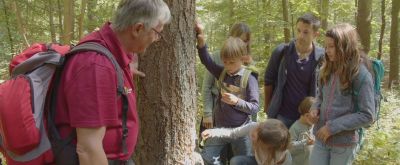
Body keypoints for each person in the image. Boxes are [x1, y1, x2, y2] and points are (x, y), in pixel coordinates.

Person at [54, 0, 171, 164]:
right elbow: (88, 149)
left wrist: (122, 73)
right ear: (138, 29)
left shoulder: (110, 55)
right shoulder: (96, 66)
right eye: (157, 33)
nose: (156, 39)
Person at [309, 23, 375, 165]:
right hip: (321, 138)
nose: (327, 51)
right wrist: (315, 108)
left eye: (331, 46)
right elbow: (320, 96)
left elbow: (368, 115)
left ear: (345, 46)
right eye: (325, 46)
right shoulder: (326, 68)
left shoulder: (360, 75)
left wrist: (332, 127)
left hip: (343, 144)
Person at [196, 22, 260, 165]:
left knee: (242, 161)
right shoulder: (223, 72)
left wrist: (236, 102)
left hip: (241, 130)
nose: (228, 66)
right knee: (206, 157)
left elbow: (255, 107)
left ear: (242, 58)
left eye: (232, 62)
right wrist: (201, 43)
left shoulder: (249, 78)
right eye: (225, 62)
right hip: (220, 128)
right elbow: (207, 62)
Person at [264, 13, 325, 128]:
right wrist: (268, 108)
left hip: (306, 118)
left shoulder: (322, 57)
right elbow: (269, 80)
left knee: (300, 146)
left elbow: (325, 89)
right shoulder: (282, 52)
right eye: (298, 31)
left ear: (316, 34)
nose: (301, 35)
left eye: (306, 32)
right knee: (276, 145)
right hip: (281, 115)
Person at [201, 22, 254, 130]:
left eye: (244, 41)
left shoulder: (249, 63)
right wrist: (207, 114)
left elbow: (252, 97)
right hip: (217, 113)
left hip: (241, 119)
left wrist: (253, 122)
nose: (241, 44)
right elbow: (207, 87)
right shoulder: (217, 56)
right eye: (238, 39)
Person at [201, 119, 292, 165]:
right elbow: (233, 133)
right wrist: (213, 132)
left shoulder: (283, 157)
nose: (252, 133)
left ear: (266, 145)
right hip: (257, 161)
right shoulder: (253, 126)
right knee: (235, 161)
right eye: (258, 128)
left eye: (255, 137)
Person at [289, 96, 316, 165]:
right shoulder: (295, 128)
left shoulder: (313, 126)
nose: (316, 120)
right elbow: (290, 148)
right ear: (307, 115)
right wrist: (304, 143)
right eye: (314, 117)